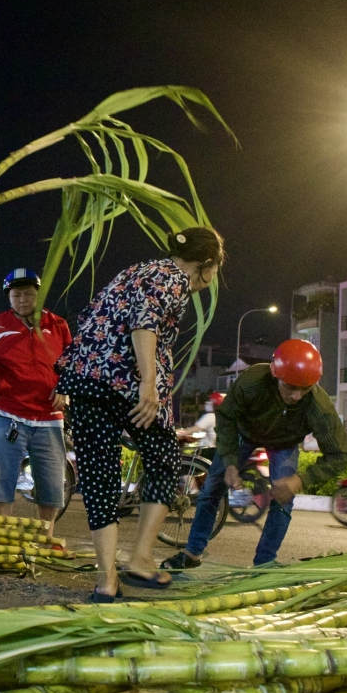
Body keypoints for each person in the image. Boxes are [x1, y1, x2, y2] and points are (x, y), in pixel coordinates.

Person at [55, 226, 225, 603]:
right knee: (165, 458)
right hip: (126, 385)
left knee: (100, 478)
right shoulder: (175, 278)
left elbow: (92, 322)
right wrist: (148, 383)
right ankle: (141, 557)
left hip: (85, 381)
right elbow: (144, 322)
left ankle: (106, 581)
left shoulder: (138, 270)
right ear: (207, 264)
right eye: (216, 270)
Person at [164, 339, 347, 570]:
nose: (297, 396)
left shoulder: (318, 406)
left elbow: (341, 453)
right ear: (275, 375)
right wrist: (231, 462)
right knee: (212, 488)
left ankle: (264, 563)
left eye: (305, 388)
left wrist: (300, 480)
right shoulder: (251, 381)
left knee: (284, 499)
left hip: (284, 444)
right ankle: (192, 552)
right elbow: (226, 418)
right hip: (245, 434)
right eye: (290, 387)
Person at [0, 268, 71, 539]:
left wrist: (65, 389)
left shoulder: (58, 326)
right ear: (9, 297)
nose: (23, 299)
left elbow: (74, 363)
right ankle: (1, 535)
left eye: (29, 293)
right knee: (1, 475)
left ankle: (46, 538)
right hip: (6, 412)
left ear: (39, 295)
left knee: (52, 480)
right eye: (17, 294)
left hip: (49, 416)